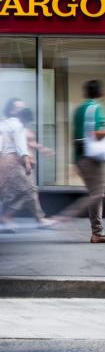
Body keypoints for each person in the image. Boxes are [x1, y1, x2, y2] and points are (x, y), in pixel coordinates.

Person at [0, 97, 54, 230]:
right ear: (12, 110)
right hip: (15, 162)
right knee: (28, 191)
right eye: (19, 108)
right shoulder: (17, 125)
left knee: (9, 191)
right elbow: (20, 146)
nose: (22, 110)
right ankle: (5, 218)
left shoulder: (2, 124)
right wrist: (26, 161)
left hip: (5, 162)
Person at [56, 79, 105, 243]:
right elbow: (96, 133)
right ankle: (65, 218)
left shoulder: (78, 110)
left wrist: (75, 161)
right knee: (98, 193)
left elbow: (76, 137)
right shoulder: (96, 108)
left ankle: (97, 233)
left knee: (96, 194)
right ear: (100, 92)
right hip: (92, 158)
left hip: (81, 157)